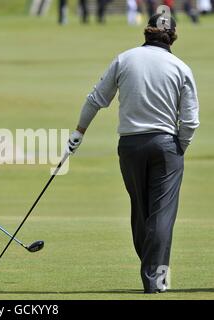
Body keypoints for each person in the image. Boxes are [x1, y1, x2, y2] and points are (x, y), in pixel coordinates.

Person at [67, 13, 199, 293]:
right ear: (173, 35)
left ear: (146, 32)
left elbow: (96, 99)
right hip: (166, 145)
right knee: (162, 214)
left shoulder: (124, 59)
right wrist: (180, 147)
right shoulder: (180, 67)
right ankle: (156, 279)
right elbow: (189, 121)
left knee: (141, 211)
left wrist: (79, 133)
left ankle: (152, 275)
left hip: (130, 146)